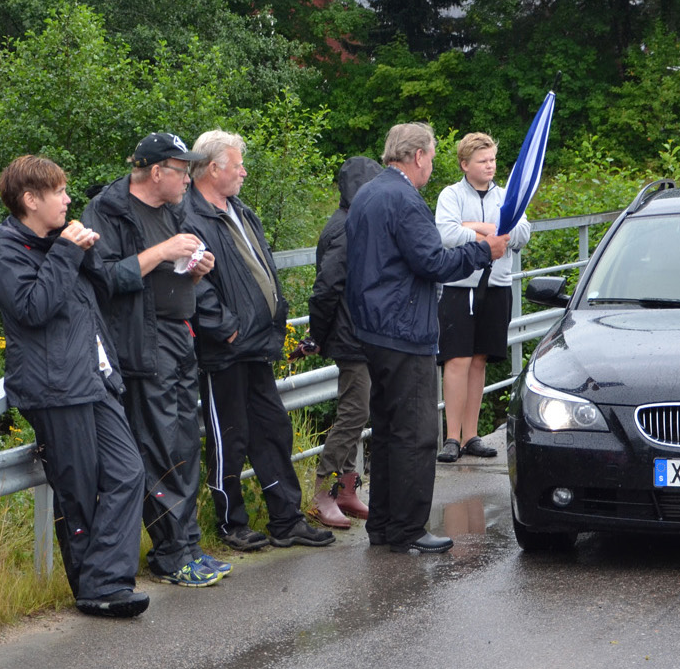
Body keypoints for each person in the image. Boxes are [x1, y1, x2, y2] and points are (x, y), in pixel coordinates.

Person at [0, 156, 149, 617]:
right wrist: (65, 253)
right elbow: (33, 308)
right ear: (30, 200)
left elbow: (103, 292)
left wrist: (83, 249)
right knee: (78, 492)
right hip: (55, 389)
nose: (67, 199)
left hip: (95, 378)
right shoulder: (6, 248)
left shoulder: (63, 242)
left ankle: (104, 581)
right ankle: (99, 589)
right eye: (58, 191)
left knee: (127, 472)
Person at [345, 122, 507, 553]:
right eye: (432, 157)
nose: (432, 165)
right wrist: (481, 251)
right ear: (417, 156)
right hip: (403, 329)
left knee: (386, 430)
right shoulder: (404, 199)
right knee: (416, 433)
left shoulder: (368, 193)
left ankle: (382, 524)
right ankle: (408, 528)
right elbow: (432, 261)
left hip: (372, 327)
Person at [81, 133, 229, 586]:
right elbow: (103, 277)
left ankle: (187, 545)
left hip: (178, 337)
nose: (189, 178)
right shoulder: (109, 210)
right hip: (141, 345)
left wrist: (197, 269)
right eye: (181, 170)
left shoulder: (173, 208)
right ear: (156, 171)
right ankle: (169, 554)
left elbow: (176, 268)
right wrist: (162, 252)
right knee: (161, 448)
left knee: (186, 443)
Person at [182, 130, 336, 548]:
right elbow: (194, 284)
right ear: (213, 169)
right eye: (237, 165)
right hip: (226, 349)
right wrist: (225, 327)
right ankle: (232, 524)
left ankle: (286, 520)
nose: (244, 172)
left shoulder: (241, 211)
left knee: (272, 429)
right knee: (228, 436)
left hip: (257, 344)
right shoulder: (189, 216)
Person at [434, 133, 532, 462]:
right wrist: (492, 231)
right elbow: (447, 234)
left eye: (492, 160)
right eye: (482, 161)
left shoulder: (507, 196)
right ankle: (451, 437)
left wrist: (477, 227)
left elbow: (520, 234)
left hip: (497, 286)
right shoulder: (450, 195)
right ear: (465, 165)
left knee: (478, 361)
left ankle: (471, 436)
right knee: (457, 360)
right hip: (460, 288)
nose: (490, 166)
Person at [304, 156, 384, 526]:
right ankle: (324, 492)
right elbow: (326, 290)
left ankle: (348, 490)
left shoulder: (353, 221)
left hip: (359, 332)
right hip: (350, 335)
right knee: (354, 413)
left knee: (358, 411)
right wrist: (317, 336)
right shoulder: (346, 228)